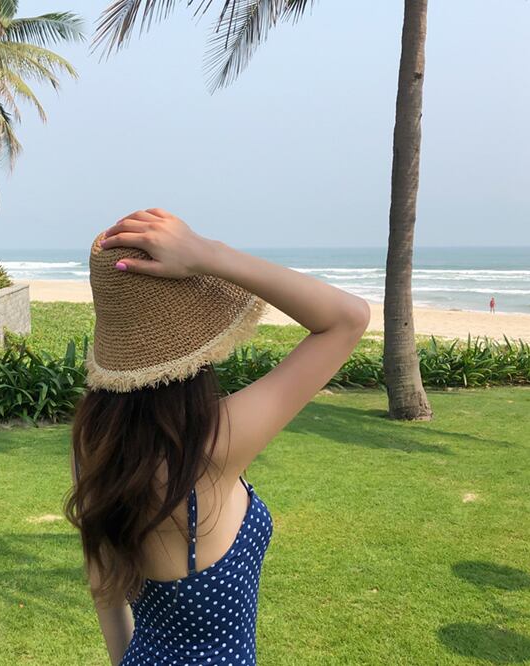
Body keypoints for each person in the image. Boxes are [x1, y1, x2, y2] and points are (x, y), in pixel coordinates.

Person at [64, 208, 370, 665]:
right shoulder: (211, 446)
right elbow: (348, 318)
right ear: (196, 338)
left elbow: (104, 587)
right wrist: (209, 254)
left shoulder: (94, 442)